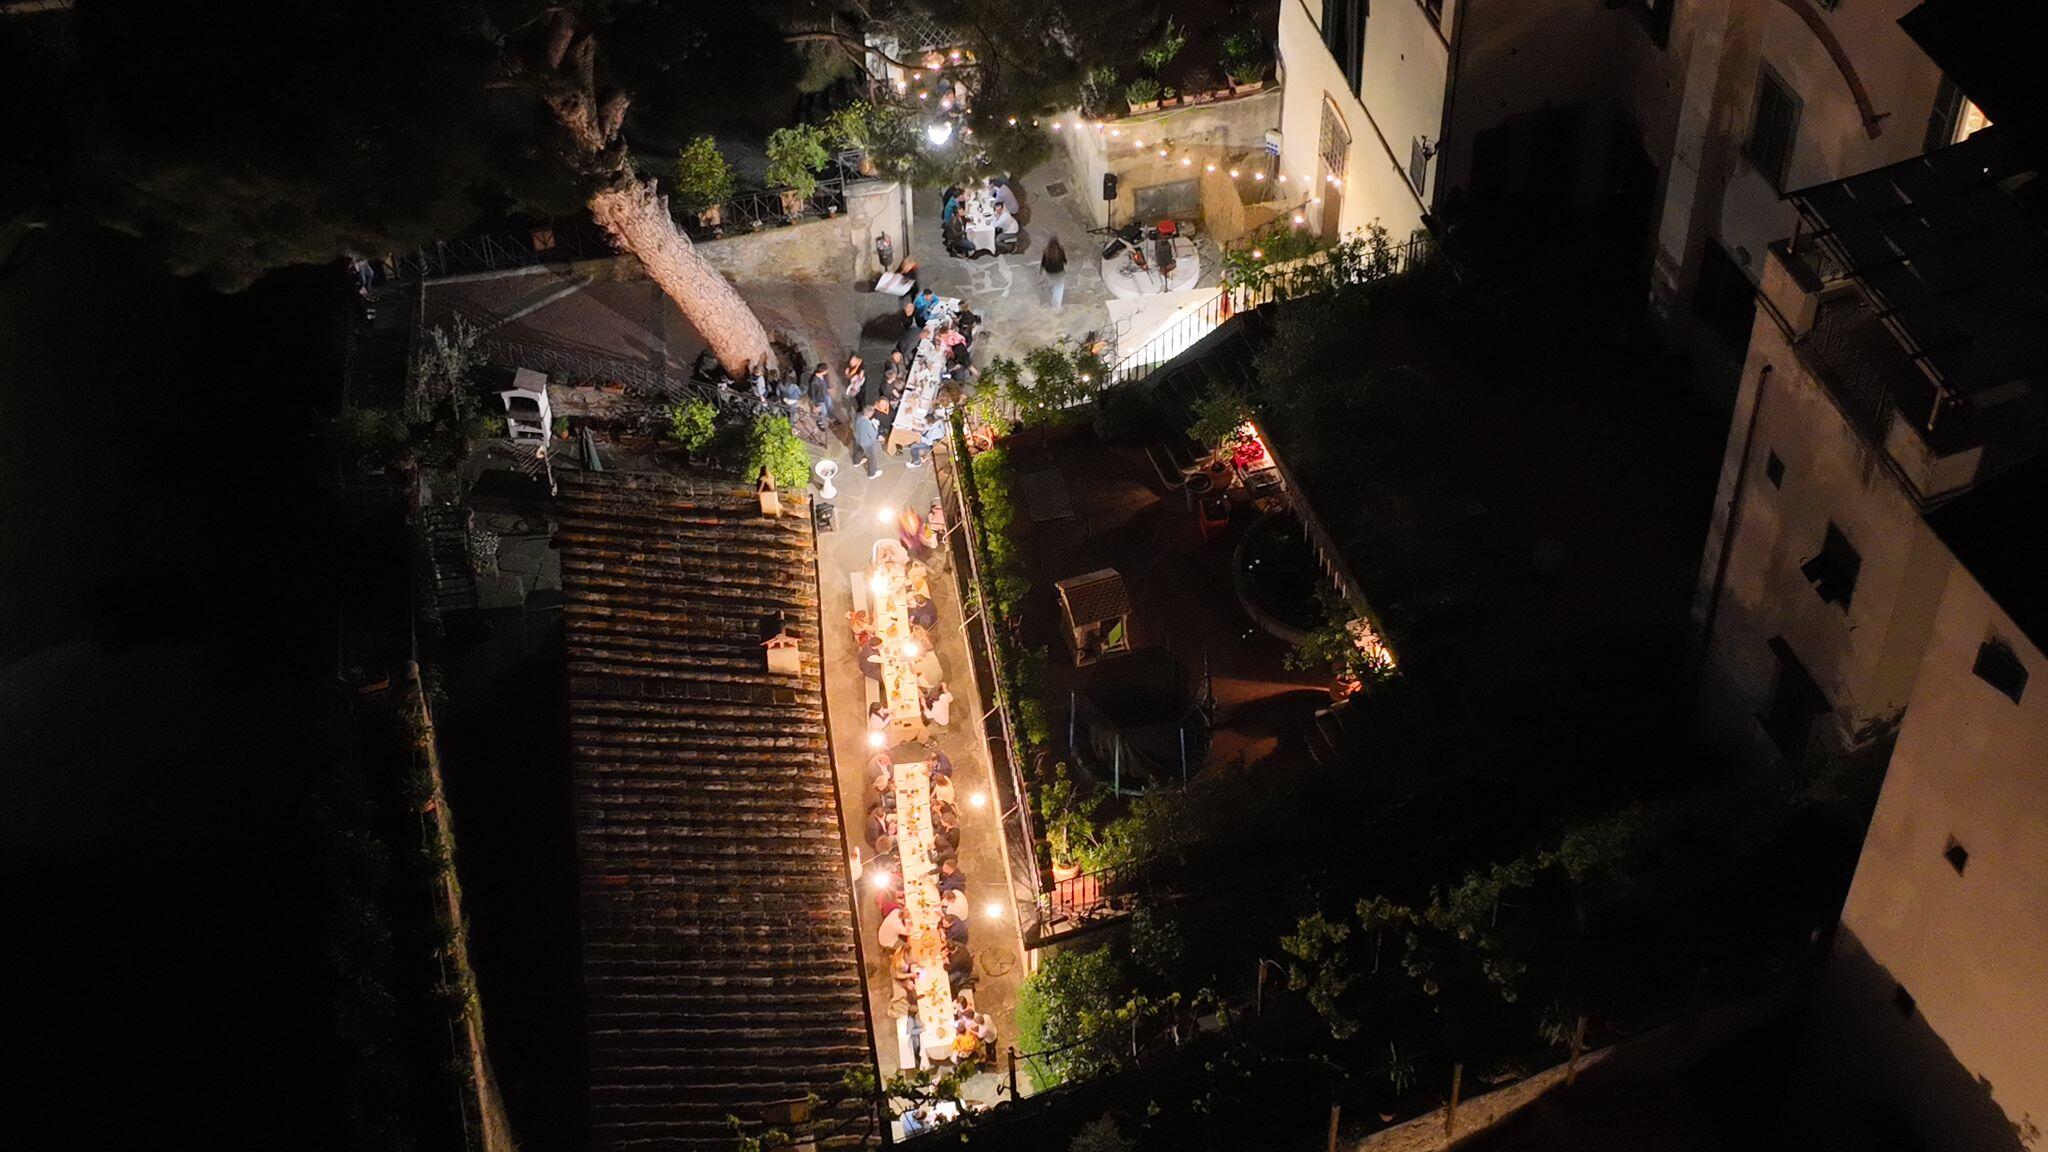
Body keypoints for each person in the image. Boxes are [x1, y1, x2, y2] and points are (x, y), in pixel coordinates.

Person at [852, 406, 884, 478]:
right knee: (872, 457)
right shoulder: (867, 424)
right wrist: (875, 426)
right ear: (870, 413)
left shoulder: (859, 417)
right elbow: (873, 436)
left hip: (858, 439)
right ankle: (872, 474)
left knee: (860, 450)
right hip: (867, 443)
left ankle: (856, 462)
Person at [1041, 235, 1068, 311]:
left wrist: (1042, 271)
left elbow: (1043, 264)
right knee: (1059, 288)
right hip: (1059, 271)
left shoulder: (1046, 252)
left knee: (1053, 284)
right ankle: (1056, 305)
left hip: (1050, 272)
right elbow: (1065, 261)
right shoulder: (1060, 251)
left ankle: (1053, 299)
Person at [843, 354, 866, 420]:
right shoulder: (850, 366)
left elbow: (860, 377)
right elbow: (848, 375)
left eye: (853, 361)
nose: (851, 363)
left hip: (859, 385)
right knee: (857, 396)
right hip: (853, 383)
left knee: (860, 396)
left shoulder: (861, 367)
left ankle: (861, 408)